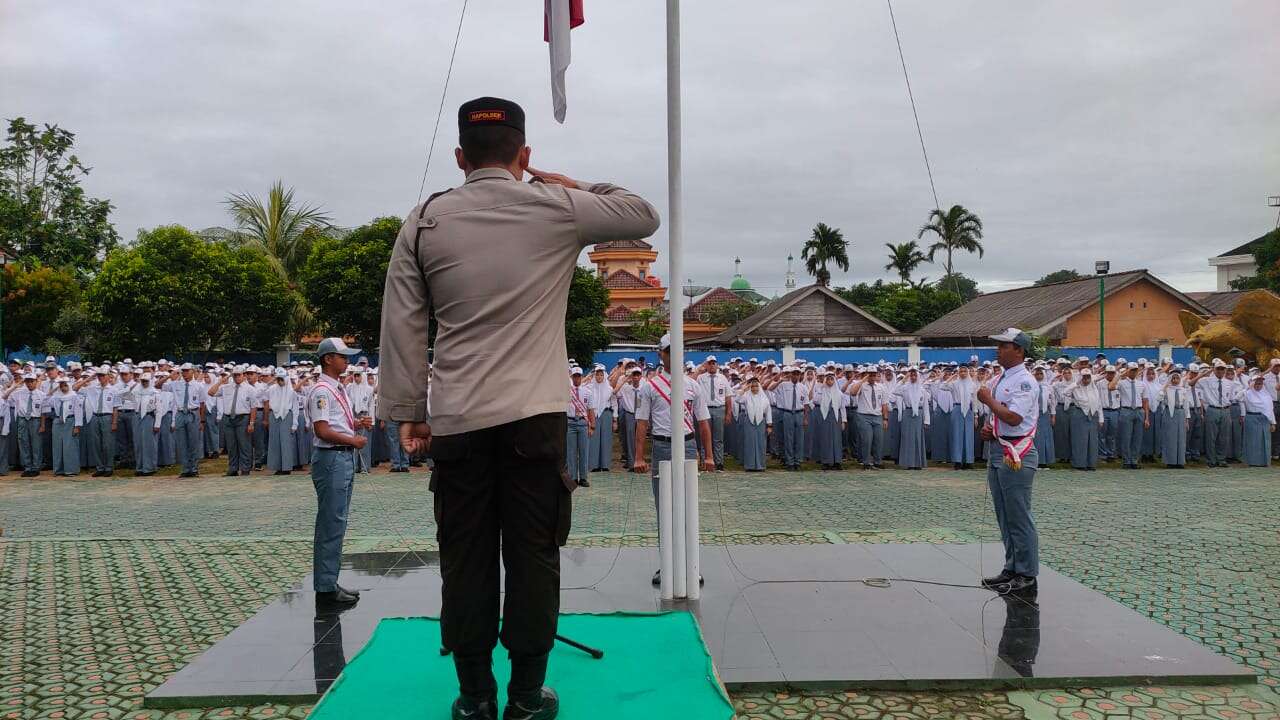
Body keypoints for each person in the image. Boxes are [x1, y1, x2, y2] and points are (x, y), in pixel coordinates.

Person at [377, 96, 660, 720]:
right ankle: (528, 697)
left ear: (460, 157)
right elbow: (643, 214)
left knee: (465, 556)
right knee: (534, 556)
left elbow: (402, 321)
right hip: (534, 418)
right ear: (523, 155)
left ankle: (474, 696)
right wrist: (571, 183)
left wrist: (408, 411)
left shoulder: (424, 219)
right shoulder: (555, 206)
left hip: (456, 420)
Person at [632, 333, 715, 585]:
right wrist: (638, 457)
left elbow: (703, 422)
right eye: (669, 351)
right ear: (661, 354)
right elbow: (642, 423)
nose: (674, 355)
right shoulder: (650, 386)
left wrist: (709, 455)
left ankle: (691, 565)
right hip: (662, 448)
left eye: (678, 350)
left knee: (688, 506)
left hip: (688, 447)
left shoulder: (692, 385)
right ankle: (666, 564)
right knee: (664, 508)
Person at [977, 329, 1040, 595]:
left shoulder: (1025, 381)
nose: (998, 350)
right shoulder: (1002, 378)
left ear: (1019, 350)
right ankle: (1012, 566)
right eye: (999, 345)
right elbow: (1003, 419)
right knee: (1004, 514)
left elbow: (1014, 417)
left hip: (1018, 453)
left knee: (1018, 515)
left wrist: (989, 401)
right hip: (999, 449)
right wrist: (990, 428)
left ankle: (1027, 573)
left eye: (1004, 346)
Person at [307, 338, 367, 610]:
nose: (347, 361)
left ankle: (329, 582)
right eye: (342, 356)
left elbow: (335, 421)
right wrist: (352, 440)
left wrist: (355, 424)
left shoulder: (336, 389)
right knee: (331, 524)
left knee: (336, 522)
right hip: (332, 458)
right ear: (328, 359)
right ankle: (326, 589)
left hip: (340, 458)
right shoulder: (322, 391)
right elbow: (322, 430)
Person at [209, 365, 257, 476]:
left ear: (244, 375)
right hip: (228, 418)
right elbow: (211, 393)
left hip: (243, 417)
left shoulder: (250, 389)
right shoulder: (226, 387)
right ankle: (233, 468)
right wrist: (221, 381)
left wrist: (251, 423)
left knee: (244, 445)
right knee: (231, 446)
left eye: (239, 375)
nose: (236, 378)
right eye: (234, 375)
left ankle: (245, 468)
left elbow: (253, 407)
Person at [845, 366, 888, 470]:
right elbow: (853, 392)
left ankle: (877, 461)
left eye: (874, 374)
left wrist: (885, 418)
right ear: (867, 374)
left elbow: (884, 404)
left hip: (877, 416)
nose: (873, 377)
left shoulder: (881, 387)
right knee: (867, 440)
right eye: (870, 374)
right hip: (864, 416)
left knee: (878, 440)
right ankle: (866, 462)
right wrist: (863, 379)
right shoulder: (862, 385)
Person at [1061, 368, 1103, 470]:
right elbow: (1065, 392)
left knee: (1092, 441)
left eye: (1088, 377)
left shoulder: (1094, 387)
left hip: (1093, 415)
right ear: (1081, 377)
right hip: (1079, 414)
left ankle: (1091, 464)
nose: (1086, 380)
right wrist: (1077, 383)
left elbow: (1099, 403)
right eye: (1084, 378)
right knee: (1079, 440)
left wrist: (1101, 418)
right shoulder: (1076, 387)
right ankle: (1079, 464)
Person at [696, 357, 733, 471]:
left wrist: (728, 413)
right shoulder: (701, 378)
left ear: (717, 365)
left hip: (719, 408)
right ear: (706, 365)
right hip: (705, 409)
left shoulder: (722, 378)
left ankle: (719, 462)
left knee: (718, 438)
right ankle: (704, 462)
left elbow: (728, 396)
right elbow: (696, 394)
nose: (712, 365)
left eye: (714, 363)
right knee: (704, 437)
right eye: (709, 364)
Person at [6, 372, 47, 477]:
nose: (29, 384)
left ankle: (36, 467)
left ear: (36, 382)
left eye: (31, 381)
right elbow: (5, 396)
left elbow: (43, 412)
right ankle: (27, 467)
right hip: (23, 420)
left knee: (36, 444)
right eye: (27, 381)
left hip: (35, 420)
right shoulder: (19, 392)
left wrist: (42, 425)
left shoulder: (42, 395)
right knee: (23, 443)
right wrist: (16, 385)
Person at [890, 366, 931, 470]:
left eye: (914, 375)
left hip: (919, 415)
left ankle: (918, 463)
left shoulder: (922, 390)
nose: (913, 377)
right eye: (911, 375)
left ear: (918, 376)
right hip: (908, 414)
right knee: (907, 439)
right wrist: (904, 378)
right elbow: (894, 391)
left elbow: (926, 406)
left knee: (918, 439)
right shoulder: (905, 388)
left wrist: (926, 420)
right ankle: (908, 463)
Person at [266, 368, 299, 475]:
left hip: (287, 416)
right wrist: (269, 382)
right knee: (274, 441)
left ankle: (286, 467)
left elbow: (295, 408)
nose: (280, 382)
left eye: (282, 379)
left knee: (286, 442)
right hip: (274, 415)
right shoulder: (272, 389)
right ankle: (277, 466)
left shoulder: (291, 391)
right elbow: (259, 394)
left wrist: (295, 423)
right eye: (278, 379)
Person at [566, 367, 593, 487]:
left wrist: (592, 426)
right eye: (574, 376)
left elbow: (591, 409)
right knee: (571, 452)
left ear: (582, 377)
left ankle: (583, 477)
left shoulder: (587, 391)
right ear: (571, 377)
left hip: (582, 423)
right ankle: (572, 477)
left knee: (584, 451)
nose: (577, 378)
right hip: (570, 422)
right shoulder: (567, 391)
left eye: (579, 376)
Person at [1158, 371, 1191, 468]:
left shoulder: (1183, 390)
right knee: (1170, 437)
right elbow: (1159, 399)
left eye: (1177, 378)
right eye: (1173, 378)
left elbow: (1186, 405)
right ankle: (1170, 461)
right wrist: (1165, 387)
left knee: (1181, 438)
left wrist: (1187, 419)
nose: (1175, 380)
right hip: (1170, 413)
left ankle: (1180, 461)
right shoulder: (1166, 389)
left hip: (1180, 413)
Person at [738, 376, 772, 471]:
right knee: (749, 443)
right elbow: (737, 400)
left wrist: (769, 425)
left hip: (761, 422)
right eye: (752, 386)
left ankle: (760, 465)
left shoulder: (764, 397)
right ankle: (750, 465)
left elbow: (768, 411)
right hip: (749, 422)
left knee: (761, 443)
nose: (754, 388)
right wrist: (744, 389)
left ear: (759, 386)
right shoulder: (746, 396)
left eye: (756, 386)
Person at [1242, 373, 1276, 466]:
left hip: (1264, 419)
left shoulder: (1266, 395)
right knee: (1252, 441)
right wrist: (1248, 388)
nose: (1258, 385)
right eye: (1256, 383)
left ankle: (1263, 461)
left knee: (1264, 440)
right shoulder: (1246, 393)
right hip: (1251, 418)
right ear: (1252, 383)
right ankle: (1252, 461)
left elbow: (1270, 409)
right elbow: (1236, 398)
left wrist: (1273, 423)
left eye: (1260, 383)